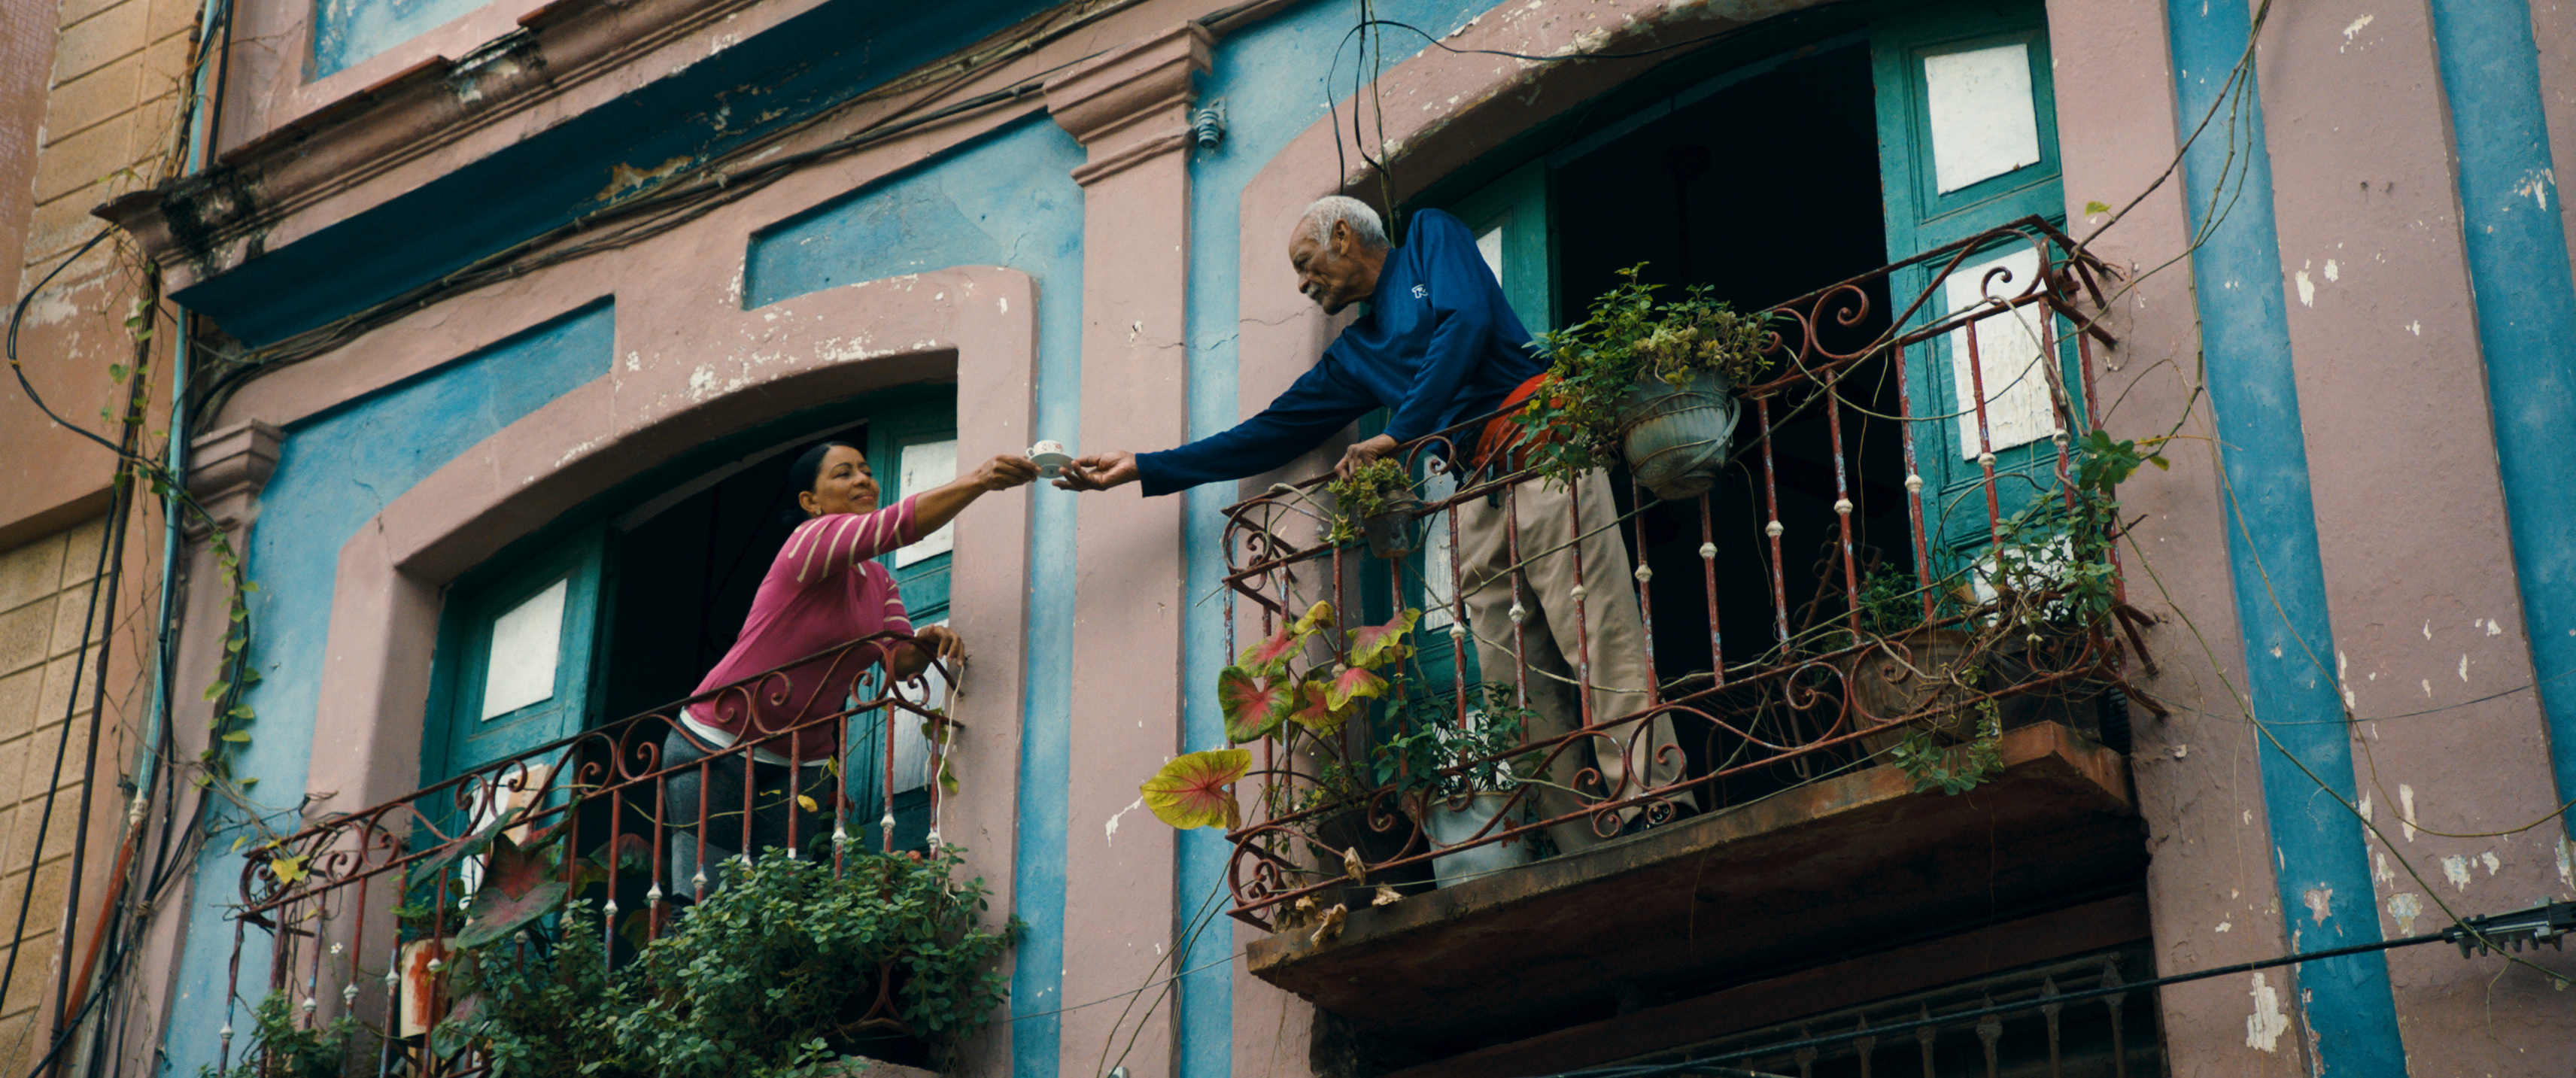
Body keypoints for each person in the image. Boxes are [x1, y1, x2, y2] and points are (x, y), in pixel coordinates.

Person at [1053, 196, 1690, 852]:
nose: (1303, 284)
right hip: (1476, 490)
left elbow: (1466, 321)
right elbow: (1269, 431)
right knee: (1514, 680)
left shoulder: (1430, 238)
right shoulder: (1357, 353)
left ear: (1342, 234)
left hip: (1542, 448)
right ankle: (1580, 840)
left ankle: (1653, 802)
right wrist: (1146, 466)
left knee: (1597, 631)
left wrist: (1400, 432)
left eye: (1305, 263)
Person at [664, 441, 1035, 888]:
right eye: (844, 474)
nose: (863, 480)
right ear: (811, 502)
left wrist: (927, 643)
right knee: (701, 892)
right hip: (716, 738)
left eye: (867, 471)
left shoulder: (879, 580)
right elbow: (896, 526)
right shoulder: (808, 540)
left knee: (781, 896)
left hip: (803, 759)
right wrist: (979, 480)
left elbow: (899, 664)